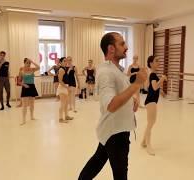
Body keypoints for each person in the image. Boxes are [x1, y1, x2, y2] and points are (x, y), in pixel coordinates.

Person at [78, 32, 147, 180]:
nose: (126, 47)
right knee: (120, 173)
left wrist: (131, 101)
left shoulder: (116, 70)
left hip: (114, 129)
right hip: (116, 133)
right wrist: (137, 84)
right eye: (122, 44)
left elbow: (120, 95)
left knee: (97, 161)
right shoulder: (106, 73)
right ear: (111, 48)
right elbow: (111, 105)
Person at [141, 56, 167, 156]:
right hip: (151, 101)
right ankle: (148, 145)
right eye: (156, 61)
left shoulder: (153, 75)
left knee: (150, 122)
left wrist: (161, 92)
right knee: (151, 123)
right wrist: (163, 79)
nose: (158, 62)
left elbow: (153, 88)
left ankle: (143, 141)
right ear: (151, 63)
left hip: (151, 101)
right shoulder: (152, 74)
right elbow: (155, 87)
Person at [18, 58, 40, 125]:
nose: (28, 64)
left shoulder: (32, 69)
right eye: (27, 63)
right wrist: (24, 84)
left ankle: (32, 116)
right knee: (24, 105)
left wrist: (32, 61)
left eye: (29, 63)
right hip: (25, 87)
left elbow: (38, 67)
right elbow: (19, 81)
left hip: (32, 87)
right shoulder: (21, 70)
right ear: (24, 63)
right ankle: (23, 119)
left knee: (32, 104)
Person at [56, 57, 73, 123]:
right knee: (63, 104)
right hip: (62, 88)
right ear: (60, 62)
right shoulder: (61, 70)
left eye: (66, 61)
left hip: (65, 87)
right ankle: (60, 119)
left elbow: (65, 78)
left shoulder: (64, 69)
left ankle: (66, 116)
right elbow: (60, 81)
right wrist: (67, 87)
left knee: (66, 104)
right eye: (64, 61)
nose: (66, 62)